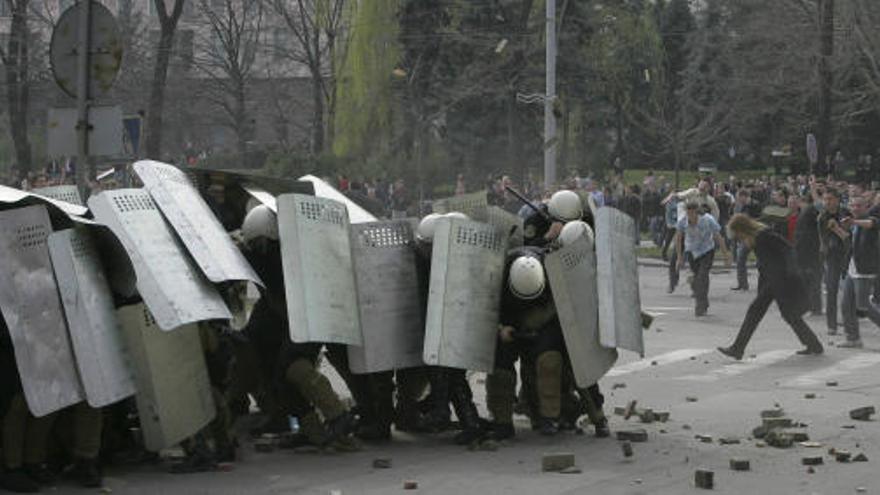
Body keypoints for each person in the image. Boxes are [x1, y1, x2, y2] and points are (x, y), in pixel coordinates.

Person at [718, 214, 824, 360]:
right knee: (788, 315)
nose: (740, 240)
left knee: (757, 312)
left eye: (739, 236)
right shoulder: (756, 239)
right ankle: (814, 345)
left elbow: (788, 249)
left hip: (781, 280)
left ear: (743, 230)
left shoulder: (764, 236)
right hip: (773, 280)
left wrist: (791, 272)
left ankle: (738, 348)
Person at [675, 201, 731, 316]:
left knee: (702, 276)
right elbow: (678, 239)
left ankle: (700, 306)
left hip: (707, 251)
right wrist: (679, 257)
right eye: (688, 213)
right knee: (697, 279)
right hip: (692, 251)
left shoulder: (707, 219)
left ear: (697, 212)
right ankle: (704, 301)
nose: (690, 217)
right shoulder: (683, 221)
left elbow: (718, 237)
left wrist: (726, 255)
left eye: (692, 213)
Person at [838, 195, 880, 348]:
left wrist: (853, 222)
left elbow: (871, 224)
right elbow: (850, 242)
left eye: (858, 206)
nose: (855, 208)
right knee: (846, 305)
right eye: (853, 206)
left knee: (863, 306)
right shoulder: (854, 223)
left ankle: (853, 337)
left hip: (864, 271)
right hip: (853, 269)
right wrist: (837, 229)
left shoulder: (871, 219)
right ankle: (853, 338)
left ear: (866, 207)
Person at [818, 188, 851, 334]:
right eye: (825, 199)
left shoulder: (845, 213)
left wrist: (837, 228)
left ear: (837, 200)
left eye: (830, 199)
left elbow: (848, 237)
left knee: (851, 293)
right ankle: (832, 325)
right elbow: (822, 239)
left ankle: (850, 322)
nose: (827, 202)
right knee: (831, 290)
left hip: (849, 256)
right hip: (832, 258)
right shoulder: (822, 216)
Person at [794, 193, 823, 315]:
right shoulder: (806, 211)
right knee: (810, 279)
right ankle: (813, 306)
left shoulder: (809, 210)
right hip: (807, 249)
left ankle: (814, 307)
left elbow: (807, 233)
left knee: (811, 280)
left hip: (809, 250)